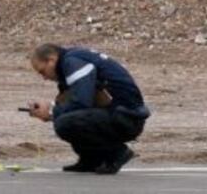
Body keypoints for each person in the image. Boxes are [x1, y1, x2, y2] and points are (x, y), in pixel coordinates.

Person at [27, 43, 151, 174]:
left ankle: (117, 152)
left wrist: (52, 112)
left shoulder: (72, 61)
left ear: (51, 60)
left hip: (127, 119)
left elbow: (81, 101)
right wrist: (51, 108)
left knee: (65, 123)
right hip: (118, 114)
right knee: (66, 119)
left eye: (42, 71)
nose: (44, 78)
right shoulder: (69, 64)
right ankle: (91, 160)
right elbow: (72, 101)